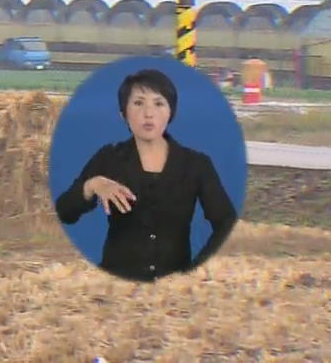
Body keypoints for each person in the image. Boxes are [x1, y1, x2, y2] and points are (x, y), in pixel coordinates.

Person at [55, 68, 238, 282]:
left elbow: (226, 222)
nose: (148, 113)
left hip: (174, 288)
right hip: (116, 284)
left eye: (158, 104)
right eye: (139, 103)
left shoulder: (196, 164)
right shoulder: (109, 158)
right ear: (123, 113)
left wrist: (197, 269)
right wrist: (91, 186)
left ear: (171, 112)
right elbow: (65, 212)